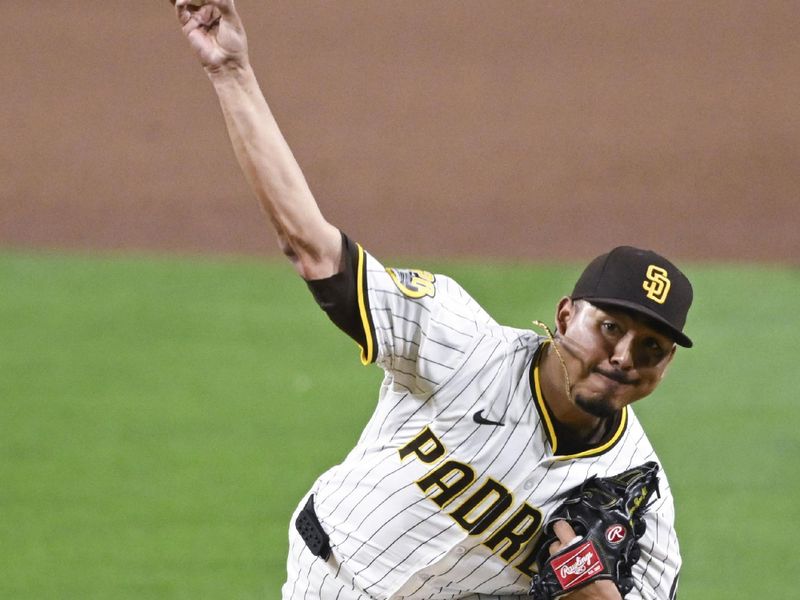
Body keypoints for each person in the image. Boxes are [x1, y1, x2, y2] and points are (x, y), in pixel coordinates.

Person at [169, 2, 691, 599]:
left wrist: (588, 585)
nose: (625, 355)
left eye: (651, 347)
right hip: (326, 580)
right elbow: (313, 250)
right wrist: (231, 72)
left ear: (667, 366)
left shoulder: (640, 497)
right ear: (566, 315)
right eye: (610, 328)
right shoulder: (459, 343)